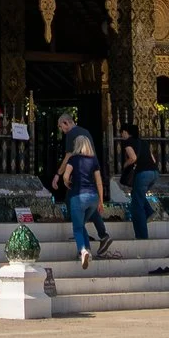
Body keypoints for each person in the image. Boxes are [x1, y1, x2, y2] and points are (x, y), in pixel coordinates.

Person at [52, 111, 110, 269]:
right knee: (87, 216)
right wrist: (101, 200)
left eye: (60, 126)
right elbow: (99, 182)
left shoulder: (72, 136)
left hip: (78, 190)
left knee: (77, 223)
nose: (61, 130)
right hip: (92, 188)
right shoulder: (86, 134)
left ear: (66, 123)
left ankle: (84, 249)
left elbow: (67, 160)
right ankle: (102, 235)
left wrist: (60, 176)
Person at [116, 121, 158, 240]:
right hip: (154, 173)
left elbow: (133, 158)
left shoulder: (128, 142)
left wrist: (125, 164)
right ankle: (149, 211)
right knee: (137, 195)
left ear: (125, 132)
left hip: (142, 174)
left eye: (122, 133)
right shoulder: (143, 142)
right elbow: (153, 160)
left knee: (136, 207)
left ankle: (142, 237)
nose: (121, 135)